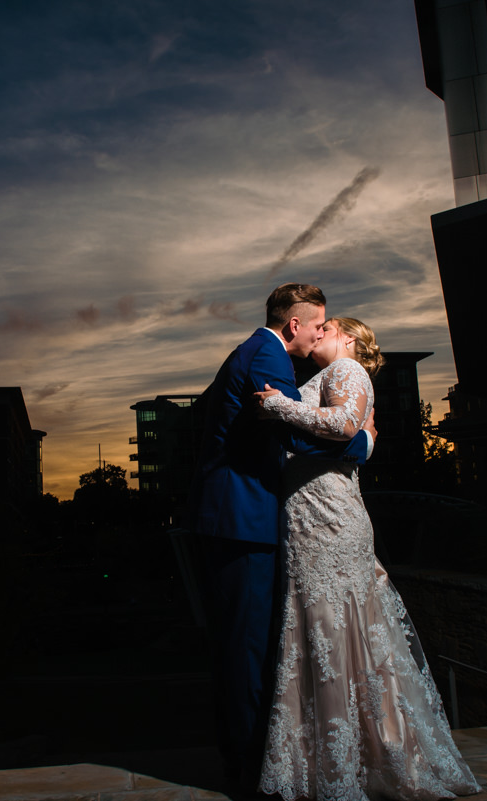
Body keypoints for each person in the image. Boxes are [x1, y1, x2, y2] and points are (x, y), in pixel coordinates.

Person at [254, 317, 480, 801]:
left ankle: (351, 766)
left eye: (329, 326)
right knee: (322, 634)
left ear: (350, 339)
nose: (320, 330)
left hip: (329, 522)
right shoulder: (326, 376)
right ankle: (339, 761)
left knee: (335, 632)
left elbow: (343, 426)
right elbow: (353, 440)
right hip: (310, 518)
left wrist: (278, 407)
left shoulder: (347, 369)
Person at [189, 284, 376, 793]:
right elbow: (294, 436)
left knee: (253, 645)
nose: (322, 332)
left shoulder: (259, 351)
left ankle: (254, 758)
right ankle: (249, 769)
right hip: (242, 520)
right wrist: (363, 442)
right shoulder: (266, 356)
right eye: (318, 324)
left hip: (247, 518)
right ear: (295, 325)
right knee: (245, 648)